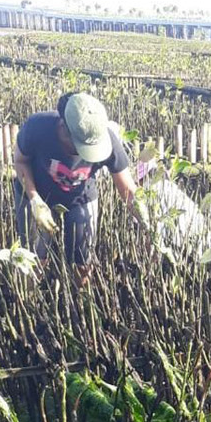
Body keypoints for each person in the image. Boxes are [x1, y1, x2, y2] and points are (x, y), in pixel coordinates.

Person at [13, 92, 145, 286]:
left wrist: (147, 224)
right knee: (34, 260)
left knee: (82, 261)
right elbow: (20, 161)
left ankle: (80, 300)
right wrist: (34, 199)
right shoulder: (38, 127)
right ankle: (29, 300)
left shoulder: (107, 142)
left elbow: (128, 190)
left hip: (80, 199)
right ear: (64, 128)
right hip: (36, 192)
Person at [133, 151, 211, 262]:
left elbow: (155, 233)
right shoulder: (170, 187)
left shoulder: (151, 192)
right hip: (202, 240)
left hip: (181, 242)